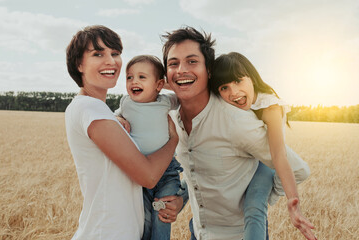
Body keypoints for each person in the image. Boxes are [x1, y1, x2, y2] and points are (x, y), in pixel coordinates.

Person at [160, 26, 316, 240]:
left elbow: (298, 169)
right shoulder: (170, 115)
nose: (181, 70)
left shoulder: (238, 121)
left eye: (192, 61)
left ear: (209, 71)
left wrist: (259, 198)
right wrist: (181, 199)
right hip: (198, 232)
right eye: (173, 64)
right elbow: (196, 172)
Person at [64, 25, 178, 240]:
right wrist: (173, 140)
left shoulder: (95, 110)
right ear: (79, 64)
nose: (111, 61)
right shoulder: (90, 109)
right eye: (98, 54)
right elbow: (149, 176)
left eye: (115, 53)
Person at [209, 52, 315, 239]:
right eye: (225, 87)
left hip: (266, 161)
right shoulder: (223, 101)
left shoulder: (270, 107)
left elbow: (278, 155)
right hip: (243, 155)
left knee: (254, 206)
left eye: (238, 81)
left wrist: (292, 200)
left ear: (251, 77)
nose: (233, 92)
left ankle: (267, 198)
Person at [114, 55, 183, 240]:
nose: (134, 81)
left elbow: (182, 93)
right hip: (140, 171)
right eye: (129, 77)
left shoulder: (165, 101)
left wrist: (166, 83)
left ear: (159, 85)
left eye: (142, 77)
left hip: (167, 171)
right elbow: (113, 117)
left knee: (162, 214)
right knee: (144, 220)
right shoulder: (126, 103)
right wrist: (119, 119)